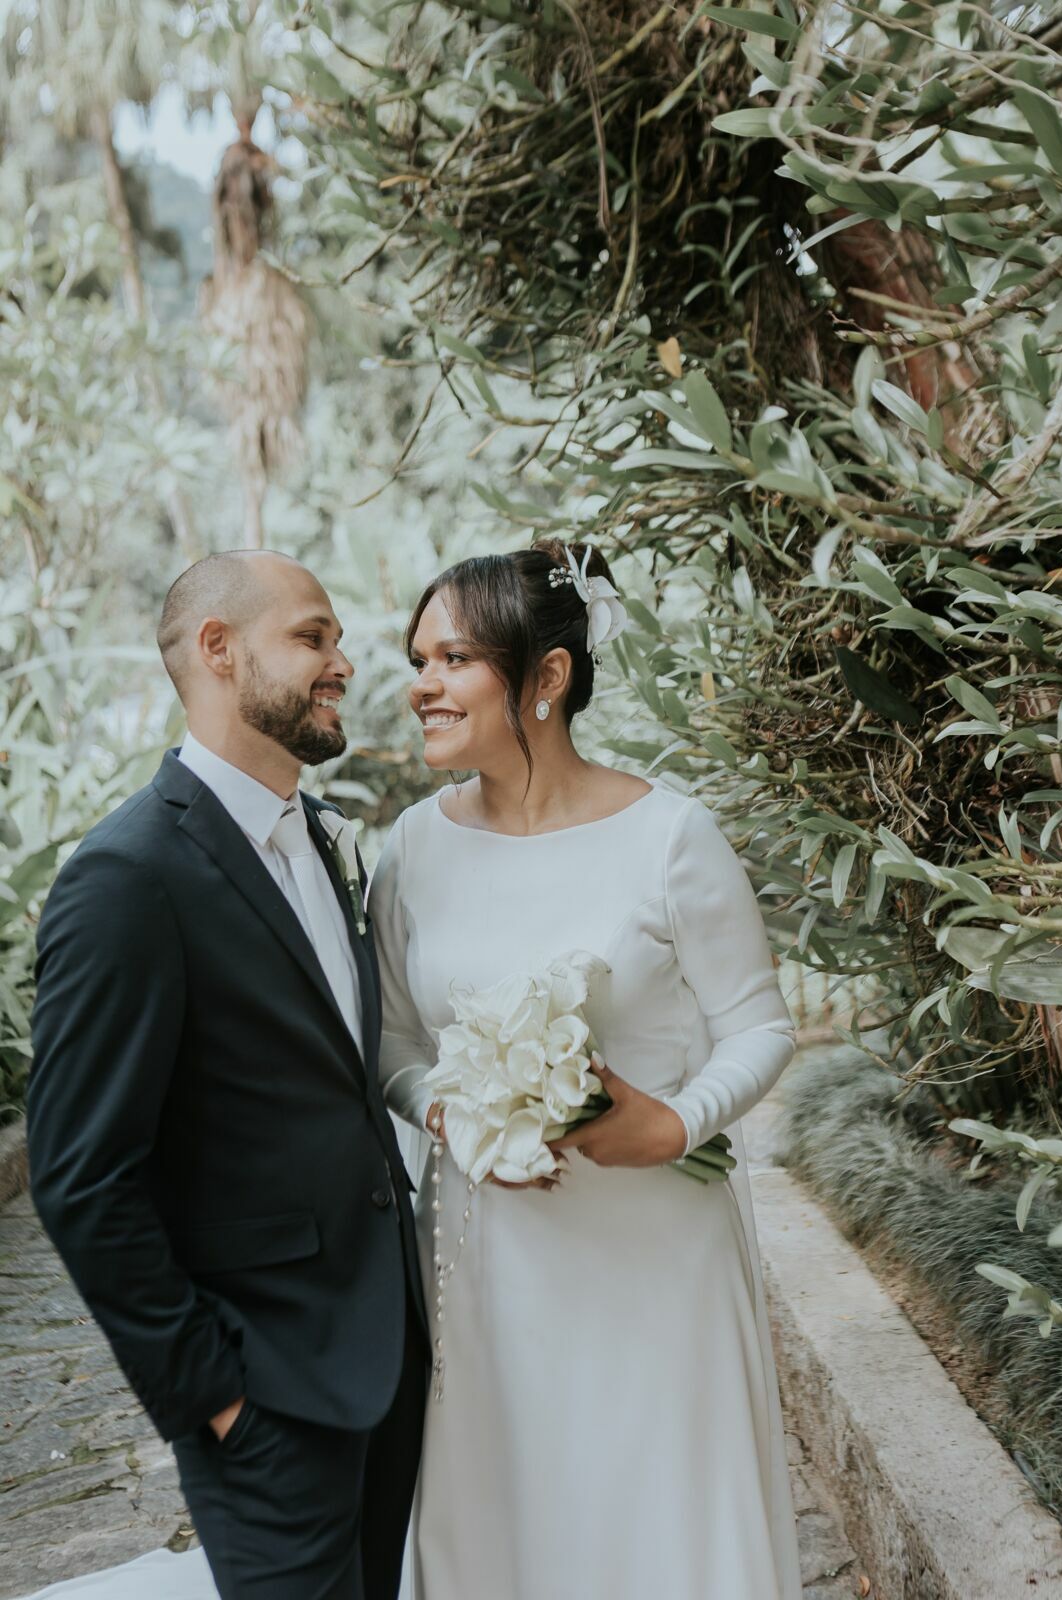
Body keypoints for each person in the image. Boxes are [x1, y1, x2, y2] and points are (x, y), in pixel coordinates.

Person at [369, 538, 804, 1599]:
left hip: (655, 1256)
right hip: (489, 1262)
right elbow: (390, 1046)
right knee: (510, 1521)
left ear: (547, 677)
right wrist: (457, 1119)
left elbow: (758, 1025)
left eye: (452, 658)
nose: (420, 683)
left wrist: (677, 1122)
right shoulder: (410, 850)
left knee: (658, 1518)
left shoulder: (669, 838)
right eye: (416, 657)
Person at [27, 550, 427, 1600]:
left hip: (385, 1358)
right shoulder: (127, 880)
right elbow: (81, 1177)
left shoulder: (321, 841)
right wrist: (216, 1399)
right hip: (268, 1396)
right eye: (313, 636)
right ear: (216, 647)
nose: (342, 661)